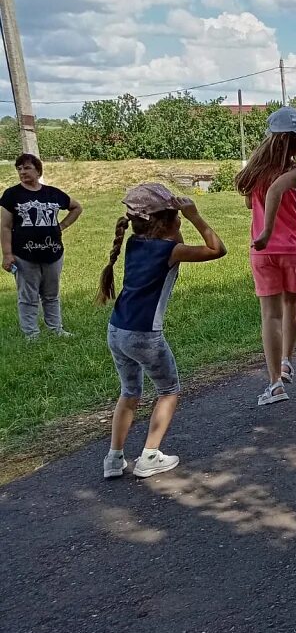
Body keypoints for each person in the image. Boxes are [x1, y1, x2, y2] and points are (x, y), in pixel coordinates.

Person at [96, 184, 226, 480]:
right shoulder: (170, 250)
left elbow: (171, 239)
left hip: (117, 330)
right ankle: (149, 456)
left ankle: (114, 459)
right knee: (168, 390)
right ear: (168, 220)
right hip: (145, 336)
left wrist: (175, 219)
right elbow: (218, 249)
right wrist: (194, 216)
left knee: (129, 392)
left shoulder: (133, 244)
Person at [235, 106, 296, 406]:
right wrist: (270, 229)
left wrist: (264, 232)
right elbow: (274, 193)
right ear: (293, 141)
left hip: (263, 251)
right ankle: (286, 360)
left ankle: (274, 385)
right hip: (293, 247)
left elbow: (255, 201)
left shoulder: (254, 171)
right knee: (292, 304)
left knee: (270, 314)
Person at [1, 153, 83, 339]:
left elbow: (76, 207)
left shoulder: (52, 193)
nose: (22, 172)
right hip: (24, 255)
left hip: (53, 253)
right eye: (19, 169)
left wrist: (62, 226)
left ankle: (56, 329)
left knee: (51, 295)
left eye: (27, 168)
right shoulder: (11, 195)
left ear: (38, 170)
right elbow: (5, 226)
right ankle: (32, 334)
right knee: (28, 297)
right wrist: (7, 254)